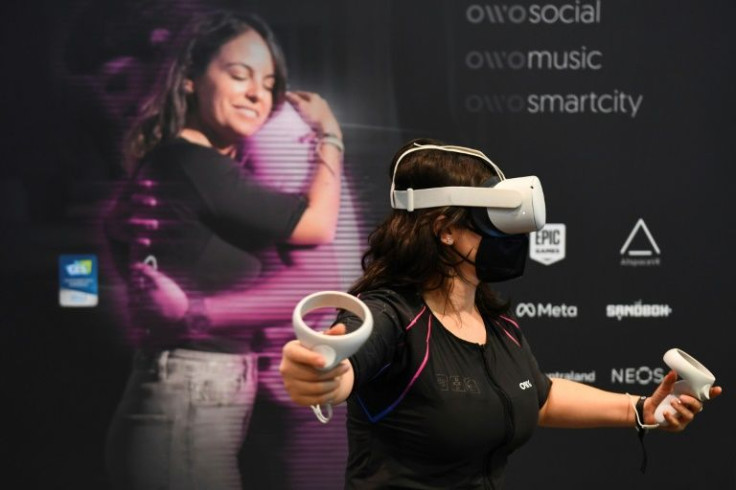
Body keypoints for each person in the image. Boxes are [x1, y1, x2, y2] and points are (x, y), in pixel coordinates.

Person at [279, 138, 723, 489]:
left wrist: (643, 408)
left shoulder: (495, 323)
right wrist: (321, 372)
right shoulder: (392, 317)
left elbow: (539, 396)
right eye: (493, 219)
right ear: (445, 229)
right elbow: (343, 360)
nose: (510, 237)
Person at [104, 10, 343, 490]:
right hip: (185, 408)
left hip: (182, 401)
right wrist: (331, 137)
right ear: (190, 77)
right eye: (239, 75)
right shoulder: (196, 164)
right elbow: (317, 227)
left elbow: (116, 227)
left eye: (269, 82)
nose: (259, 93)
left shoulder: (177, 160)